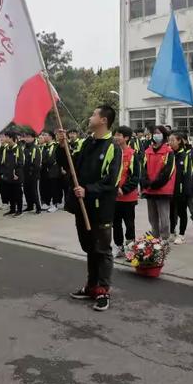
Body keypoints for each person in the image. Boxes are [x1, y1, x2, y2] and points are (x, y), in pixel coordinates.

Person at [57, 105, 122, 312]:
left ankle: (103, 290)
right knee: (89, 249)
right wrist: (61, 146)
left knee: (102, 250)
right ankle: (91, 286)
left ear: (103, 120)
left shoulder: (113, 147)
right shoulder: (87, 143)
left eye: (94, 114)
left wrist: (88, 190)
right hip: (82, 206)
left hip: (100, 208)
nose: (90, 117)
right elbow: (71, 166)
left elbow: (112, 181)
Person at [140, 126, 176, 241]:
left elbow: (168, 171)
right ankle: (155, 238)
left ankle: (165, 238)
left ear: (164, 135)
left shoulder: (168, 152)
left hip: (162, 189)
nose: (156, 135)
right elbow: (143, 168)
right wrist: (145, 181)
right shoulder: (147, 151)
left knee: (164, 217)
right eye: (154, 133)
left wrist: (156, 183)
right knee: (152, 216)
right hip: (149, 189)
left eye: (158, 133)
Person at [113, 125, 140, 258]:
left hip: (128, 197)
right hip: (114, 197)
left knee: (129, 224)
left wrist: (124, 189)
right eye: (115, 135)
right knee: (115, 224)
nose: (116, 137)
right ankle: (119, 247)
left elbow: (135, 177)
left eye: (119, 135)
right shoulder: (112, 152)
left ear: (126, 138)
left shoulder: (132, 154)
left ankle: (130, 249)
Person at [168, 131, 193, 245]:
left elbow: (187, 174)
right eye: (169, 140)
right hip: (170, 190)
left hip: (181, 190)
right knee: (171, 212)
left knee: (181, 212)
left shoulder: (185, 155)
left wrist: (186, 191)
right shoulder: (170, 154)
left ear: (179, 141)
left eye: (172, 140)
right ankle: (171, 232)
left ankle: (182, 234)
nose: (170, 142)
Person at [0, 130, 24, 217]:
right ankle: (12, 209)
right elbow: (3, 162)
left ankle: (19, 210)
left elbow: (21, 163)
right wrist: (3, 173)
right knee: (10, 194)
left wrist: (16, 174)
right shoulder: (5, 149)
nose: (5, 138)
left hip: (16, 176)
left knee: (17, 193)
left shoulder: (18, 149)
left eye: (6, 137)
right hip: (7, 176)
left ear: (11, 138)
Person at [40, 131, 61, 213]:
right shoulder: (43, 147)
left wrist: (45, 161)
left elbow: (52, 159)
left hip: (54, 171)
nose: (43, 137)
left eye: (45, 135)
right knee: (46, 187)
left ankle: (55, 204)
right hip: (45, 171)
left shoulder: (56, 146)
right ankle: (46, 202)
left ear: (51, 137)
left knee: (54, 188)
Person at [23, 131, 42, 214]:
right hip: (25, 173)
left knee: (34, 190)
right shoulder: (24, 148)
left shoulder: (35, 148)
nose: (26, 139)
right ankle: (29, 206)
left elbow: (37, 163)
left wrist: (32, 171)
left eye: (28, 137)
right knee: (26, 190)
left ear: (33, 138)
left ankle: (38, 207)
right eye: (25, 137)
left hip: (33, 173)